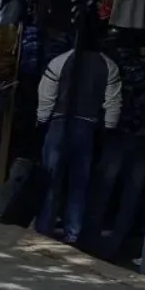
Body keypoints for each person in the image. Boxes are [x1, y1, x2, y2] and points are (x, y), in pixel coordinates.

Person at [35, 16, 121, 245]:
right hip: (87, 128)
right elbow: (113, 103)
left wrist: (42, 119)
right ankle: (73, 231)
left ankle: (44, 226)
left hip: (59, 123)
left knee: (52, 179)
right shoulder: (108, 66)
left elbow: (46, 94)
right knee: (79, 184)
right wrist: (109, 128)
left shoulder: (60, 61)